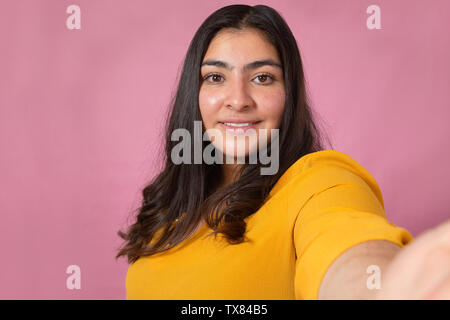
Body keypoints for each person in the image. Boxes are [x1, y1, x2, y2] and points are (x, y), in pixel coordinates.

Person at [116, 4, 450, 300]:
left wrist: (390, 287)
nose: (238, 99)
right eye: (216, 77)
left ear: (289, 93)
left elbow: (349, 248)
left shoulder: (318, 180)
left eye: (262, 78)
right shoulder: (167, 211)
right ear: (195, 93)